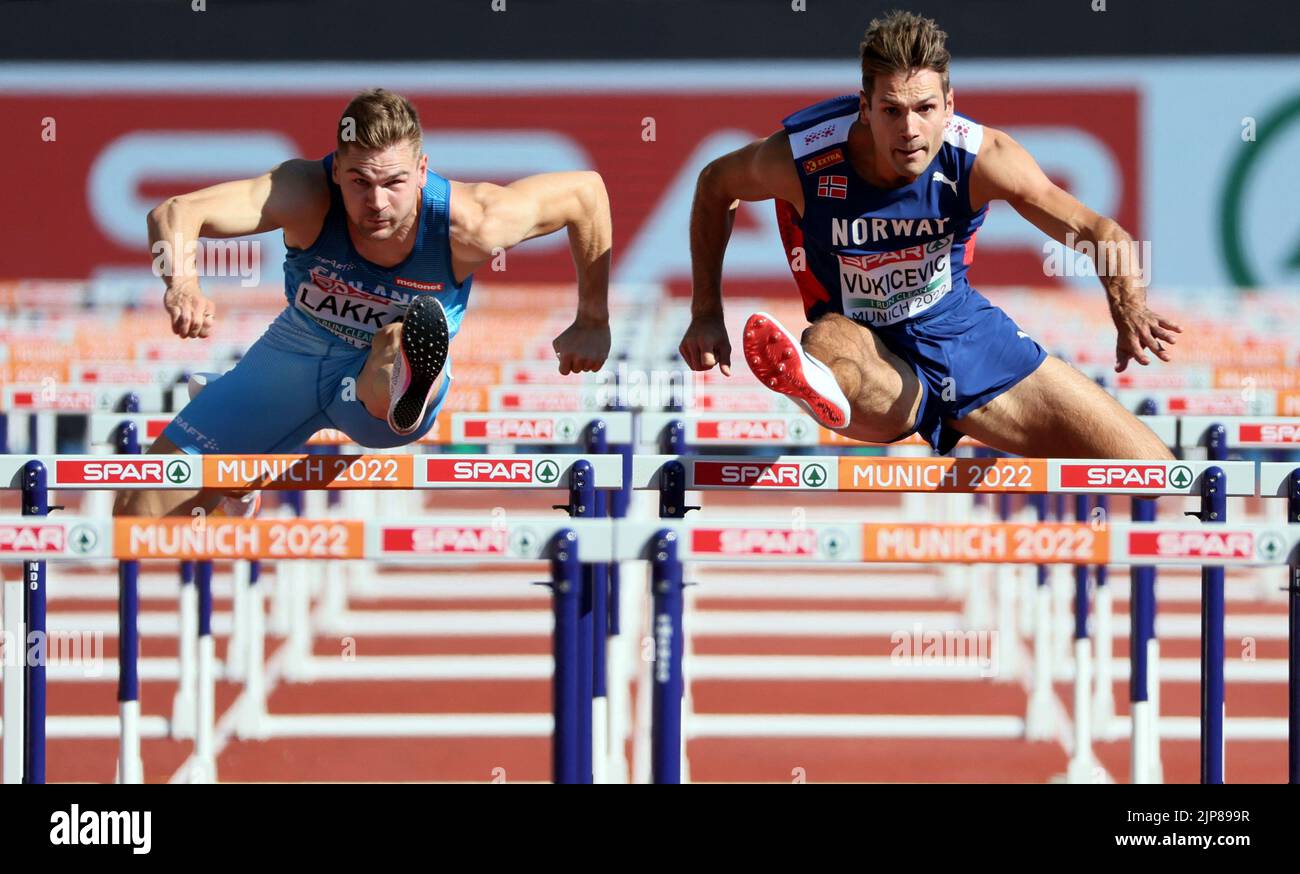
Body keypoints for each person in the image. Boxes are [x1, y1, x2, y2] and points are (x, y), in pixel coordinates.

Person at [678, 10, 1179, 459]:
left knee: (1151, 470)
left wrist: (1127, 302)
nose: (910, 129)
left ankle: (830, 385)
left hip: (963, 334)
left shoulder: (984, 157)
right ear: (865, 108)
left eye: (924, 108)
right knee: (830, 342)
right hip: (868, 347)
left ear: (949, 105)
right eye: (892, 110)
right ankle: (813, 384)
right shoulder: (803, 158)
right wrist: (705, 313)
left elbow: (1097, 230)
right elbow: (713, 186)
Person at [117, 88, 612, 517]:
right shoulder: (304, 193)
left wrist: (592, 318)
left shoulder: (475, 221)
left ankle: (406, 378)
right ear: (335, 170)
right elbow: (177, 212)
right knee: (133, 514)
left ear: (422, 171)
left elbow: (585, 194)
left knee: (398, 338)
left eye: (393, 182)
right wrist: (181, 283)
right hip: (294, 357)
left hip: (376, 393)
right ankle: (236, 489)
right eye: (360, 181)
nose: (376, 202)